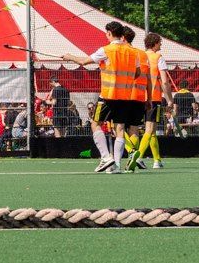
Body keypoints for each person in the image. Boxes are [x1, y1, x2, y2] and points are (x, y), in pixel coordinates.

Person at [66, 21, 143, 173]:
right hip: (125, 96)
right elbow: (137, 73)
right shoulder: (133, 52)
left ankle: (106, 157)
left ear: (109, 33)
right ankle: (116, 166)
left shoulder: (106, 50)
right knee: (120, 129)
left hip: (108, 95)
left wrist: (69, 57)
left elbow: (83, 61)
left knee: (95, 124)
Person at [126, 31, 174, 170]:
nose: (161, 46)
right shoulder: (158, 57)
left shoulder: (140, 55)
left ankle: (157, 160)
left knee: (147, 131)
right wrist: (170, 100)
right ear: (155, 44)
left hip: (139, 96)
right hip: (153, 97)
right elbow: (164, 81)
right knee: (150, 129)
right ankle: (138, 157)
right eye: (160, 43)